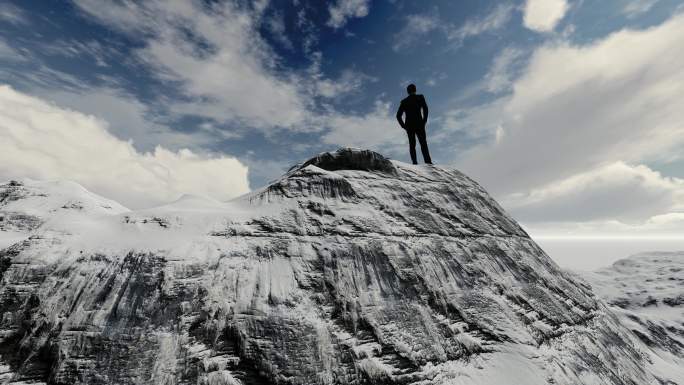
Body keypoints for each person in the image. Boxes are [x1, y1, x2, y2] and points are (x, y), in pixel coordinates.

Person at [396, 84, 432, 165]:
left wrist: (404, 126)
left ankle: (414, 163)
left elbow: (398, 116)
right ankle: (428, 162)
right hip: (419, 124)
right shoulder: (420, 97)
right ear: (415, 90)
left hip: (409, 126)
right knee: (423, 143)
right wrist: (424, 120)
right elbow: (425, 109)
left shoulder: (404, 101)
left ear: (407, 91)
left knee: (412, 145)